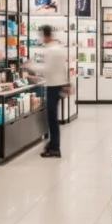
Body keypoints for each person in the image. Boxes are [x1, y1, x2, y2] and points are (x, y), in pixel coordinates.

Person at [27, 25, 72, 158]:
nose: (41, 39)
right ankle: (52, 144)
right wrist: (67, 83)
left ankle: (55, 147)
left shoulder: (50, 51)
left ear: (45, 35)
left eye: (41, 36)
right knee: (53, 117)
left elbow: (47, 69)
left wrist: (31, 66)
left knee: (51, 118)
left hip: (53, 86)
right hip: (59, 84)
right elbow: (62, 68)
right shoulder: (59, 48)